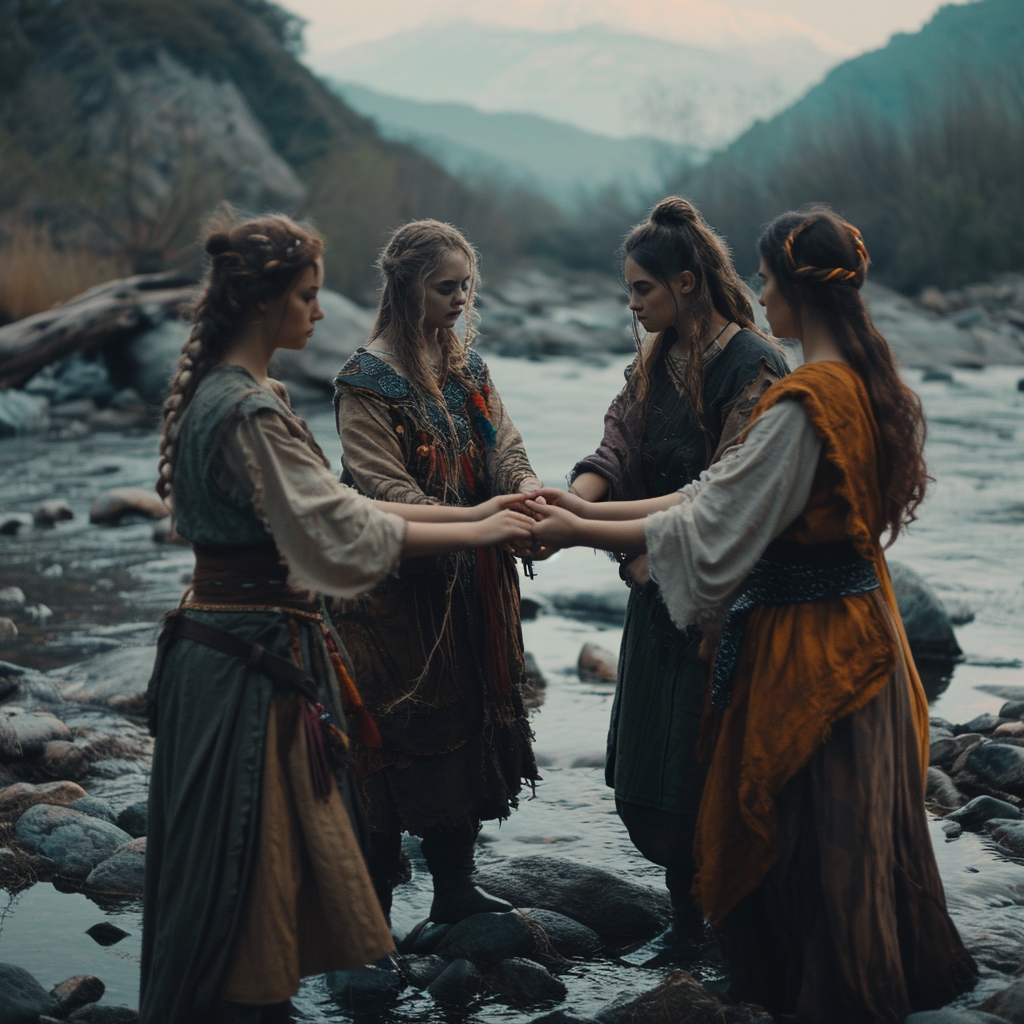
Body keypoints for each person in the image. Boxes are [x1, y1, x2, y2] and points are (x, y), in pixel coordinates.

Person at [525, 205, 978, 1020]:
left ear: (801, 290)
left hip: (816, 652)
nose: (760, 294)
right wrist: (582, 513)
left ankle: (827, 995)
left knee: (806, 834)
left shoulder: (807, 400)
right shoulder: (869, 387)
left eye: (768, 279)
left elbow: (712, 516)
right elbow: (709, 495)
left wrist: (574, 526)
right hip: (862, 635)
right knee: (847, 841)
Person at [141, 210, 533, 1024]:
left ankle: (253, 988)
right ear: (264, 303)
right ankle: (275, 980)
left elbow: (496, 447)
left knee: (239, 852)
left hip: (242, 648)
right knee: (262, 835)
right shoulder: (256, 408)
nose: (321, 312)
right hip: (249, 654)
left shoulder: (243, 395)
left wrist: (502, 504)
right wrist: (480, 524)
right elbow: (348, 524)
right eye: (310, 295)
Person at [567, 196, 789, 959]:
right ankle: (686, 918)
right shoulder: (656, 355)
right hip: (652, 591)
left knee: (706, 760)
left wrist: (620, 542)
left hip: (721, 604)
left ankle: (722, 927)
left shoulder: (753, 363)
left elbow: (727, 490)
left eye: (642, 289)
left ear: (689, 281)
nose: (632, 303)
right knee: (650, 769)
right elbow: (618, 441)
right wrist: (568, 508)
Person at [331, 219, 542, 926]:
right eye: (445, 287)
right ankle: (371, 918)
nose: (460, 299)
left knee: (468, 720)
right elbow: (380, 488)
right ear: (405, 288)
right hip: (391, 598)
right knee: (387, 741)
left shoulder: (469, 370)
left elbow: (504, 446)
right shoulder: (365, 383)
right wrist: (475, 527)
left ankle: (453, 891)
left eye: (466, 287)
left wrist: (525, 492)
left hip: (470, 592)